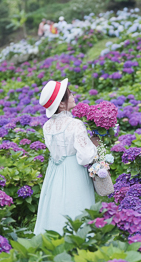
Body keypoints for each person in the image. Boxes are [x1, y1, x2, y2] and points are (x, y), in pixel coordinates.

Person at [34, 78, 100, 235]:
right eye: (69, 95)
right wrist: (95, 146)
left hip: (54, 171)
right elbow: (85, 157)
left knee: (55, 203)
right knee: (76, 202)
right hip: (74, 170)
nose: (73, 96)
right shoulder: (75, 124)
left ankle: (54, 237)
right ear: (62, 104)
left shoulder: (47, 126)